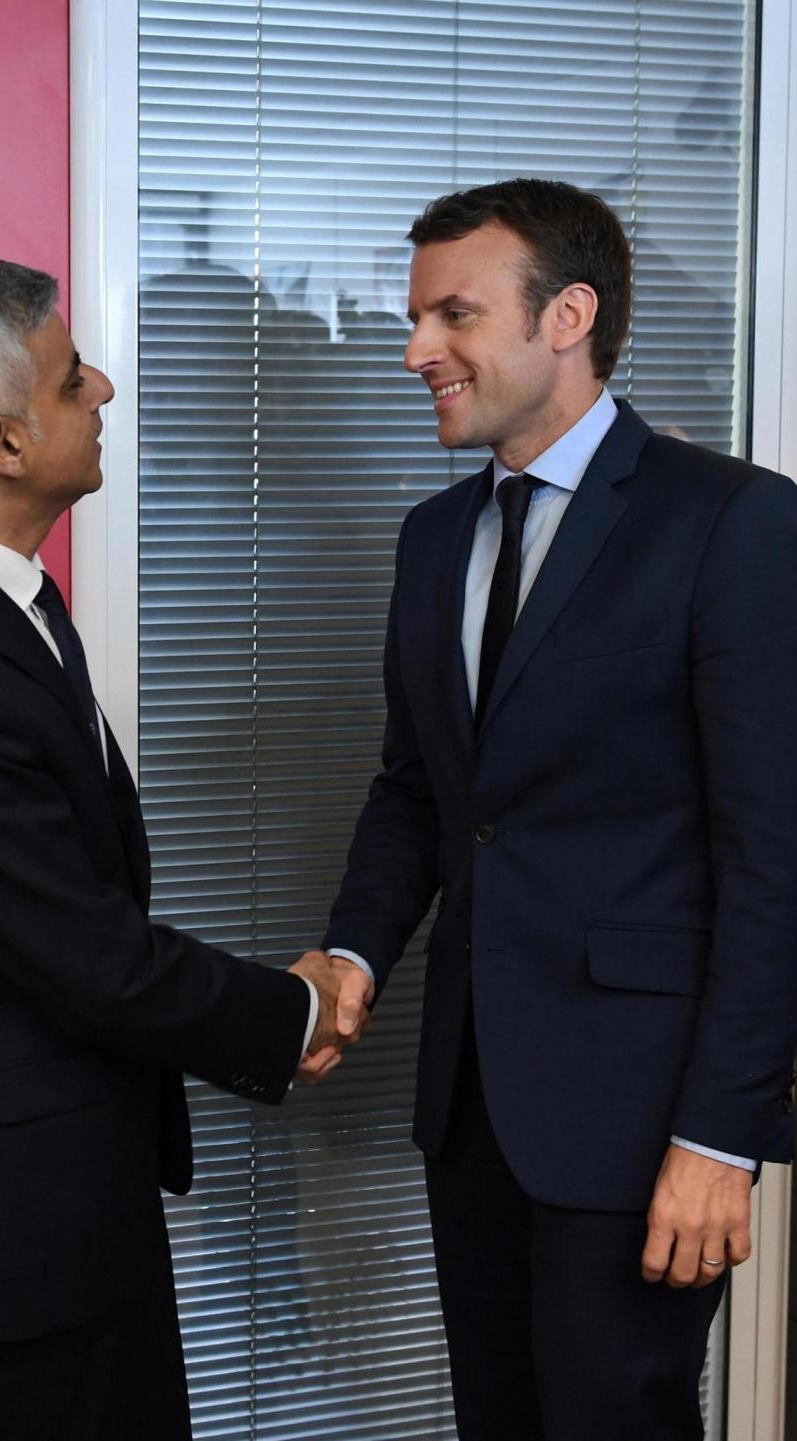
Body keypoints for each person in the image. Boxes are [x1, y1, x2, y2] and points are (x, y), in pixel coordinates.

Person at [301, 178, 797, 1439]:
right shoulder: (431, 539)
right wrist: (352, 947)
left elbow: (773, 854)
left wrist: (720, 1139)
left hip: (641, 1120)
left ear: (567, 314)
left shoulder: (733, 523)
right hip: (471, 1104)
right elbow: (420, 790)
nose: (416, 350)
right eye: (417, 317)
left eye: (453, 314)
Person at [0, 258, 364, 1441]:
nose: (108, 387)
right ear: (5, 442)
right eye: (74, 378)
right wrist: (289, 1012)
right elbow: (86, 957)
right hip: (1, 1250)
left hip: (66, 1210)